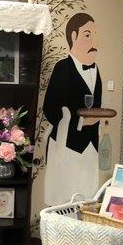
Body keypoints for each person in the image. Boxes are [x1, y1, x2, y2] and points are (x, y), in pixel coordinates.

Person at [43, 13, 103, 206]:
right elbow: (50, 108)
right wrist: (79, 122)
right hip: (66, 147)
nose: (94, 41)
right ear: (74, 37)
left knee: (87, 200)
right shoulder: (63, 68)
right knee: (63, 200)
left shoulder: (96, 70)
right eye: (87, 34)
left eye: (95, 34)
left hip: (90, 147)